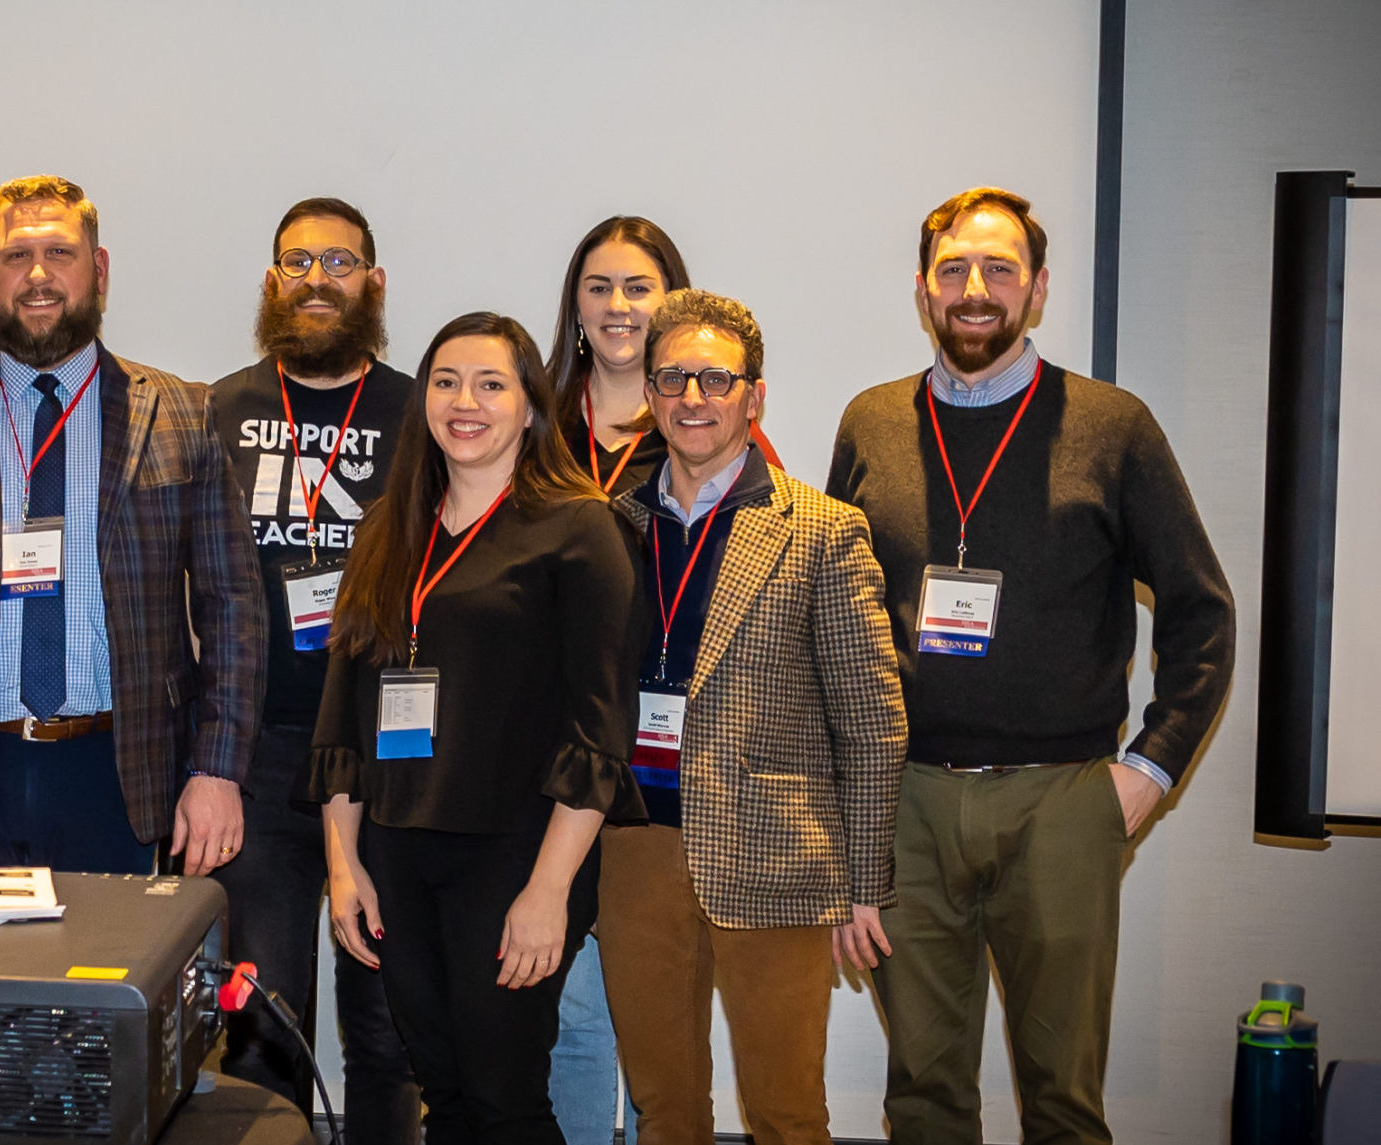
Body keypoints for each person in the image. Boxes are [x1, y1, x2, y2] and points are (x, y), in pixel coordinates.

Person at [827, 187, 1235, 1144]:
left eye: (1000, 269)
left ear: (1039, 288)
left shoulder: (1113, 426)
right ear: (925, 291)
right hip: (908, 803)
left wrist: (1149, 771)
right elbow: (836, 627)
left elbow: (1200, 609)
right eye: (954, 270)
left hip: (1063, 801)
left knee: (1062, 1098)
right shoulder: (871, 422)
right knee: (921, 1096)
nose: (977, 290)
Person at [0, 174, 265, 876]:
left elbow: (234, 606)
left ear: (99, 270)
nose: (39, 275)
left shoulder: (179, 412)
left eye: (61, 253)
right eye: (17, 257)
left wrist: (219, 769)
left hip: (127, 780)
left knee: (110, 986)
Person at [314, 311, 645, 1144]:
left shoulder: (579, 528)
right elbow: (346, 715)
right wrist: (343, 867)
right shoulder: (388, 526)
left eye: (492, 384)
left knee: (505, 1098)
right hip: (395, 851)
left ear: (531, 406)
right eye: (447, 381)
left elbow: (600, 728)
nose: (466, 401)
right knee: (445, 1093)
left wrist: (549, 893)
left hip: (515, 854)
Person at [598, 289, 905, 1145]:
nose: (693, 396)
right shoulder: (607, 526)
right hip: (635, 850)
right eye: (673, 378)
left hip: (775, 858)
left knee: (786, 1114)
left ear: (754, 396)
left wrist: (863, 882)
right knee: (665, 1111)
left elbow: (873, 722)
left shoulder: (823, 530)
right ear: (651, 397)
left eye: (715, 378)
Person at [206, 197, 420, 1145]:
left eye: (340, 261)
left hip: (383, 758)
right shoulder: (219, 408)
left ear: (374, 283)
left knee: (386, 1031)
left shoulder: (422, 410)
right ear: (270, 280)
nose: (318, 279)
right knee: (259, 1023)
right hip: (252, 754)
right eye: (298, 260)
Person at [548, 216, 781, 498]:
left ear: (672, 301)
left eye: (637, 289)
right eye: (599, 288)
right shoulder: (533, 417)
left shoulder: (710, 421)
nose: (617, 305)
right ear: (576, 306)